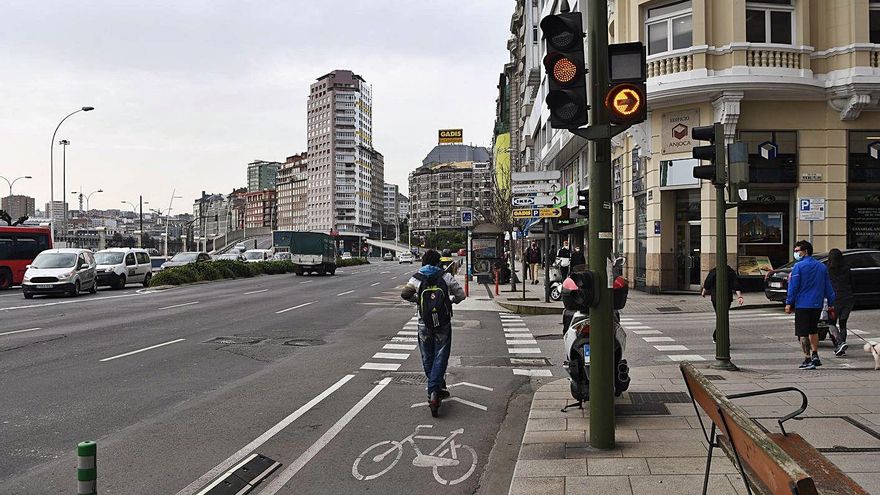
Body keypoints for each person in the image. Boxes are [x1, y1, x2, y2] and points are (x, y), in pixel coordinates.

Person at [400, 249, 466, 416]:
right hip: (443, 322)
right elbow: (461, 295)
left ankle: (435, 388)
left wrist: (418, 301)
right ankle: (435, 389)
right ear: (438, 262)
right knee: (441, 356)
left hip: (424, 322)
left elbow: (405, 294)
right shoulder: (445, 276)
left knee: (427, 356)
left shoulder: (417, 277)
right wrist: (450, 300)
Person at [786, 240, 835, 370]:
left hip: (803, 303)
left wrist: (789, 303)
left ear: (805, 251)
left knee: (802, 332)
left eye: (797, 251)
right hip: (816, 303)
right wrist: (831, 303)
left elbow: (794, 286)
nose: (795, 253)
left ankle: (807, 359)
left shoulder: (798, 267)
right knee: (813, 329)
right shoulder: (821, 267)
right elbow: (828, 286)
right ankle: (815, 355)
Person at [701, 265, 744, 342]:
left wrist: (704, 291)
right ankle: (719, 338)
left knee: (720, 317)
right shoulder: (730, 272)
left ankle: (717, 337)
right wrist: (739, 296)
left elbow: (708, 281)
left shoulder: (714, 271)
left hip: (716, 298)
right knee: (723, 317)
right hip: (727, 298)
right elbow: (735, 284)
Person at [827, 248, 854, 357]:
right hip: (848, 298)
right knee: (843, 323)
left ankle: (840, 343)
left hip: (835, 299)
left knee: (831, 323)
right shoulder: (847, 268)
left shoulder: (828, 269)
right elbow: (852, 283)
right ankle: (841, 347)